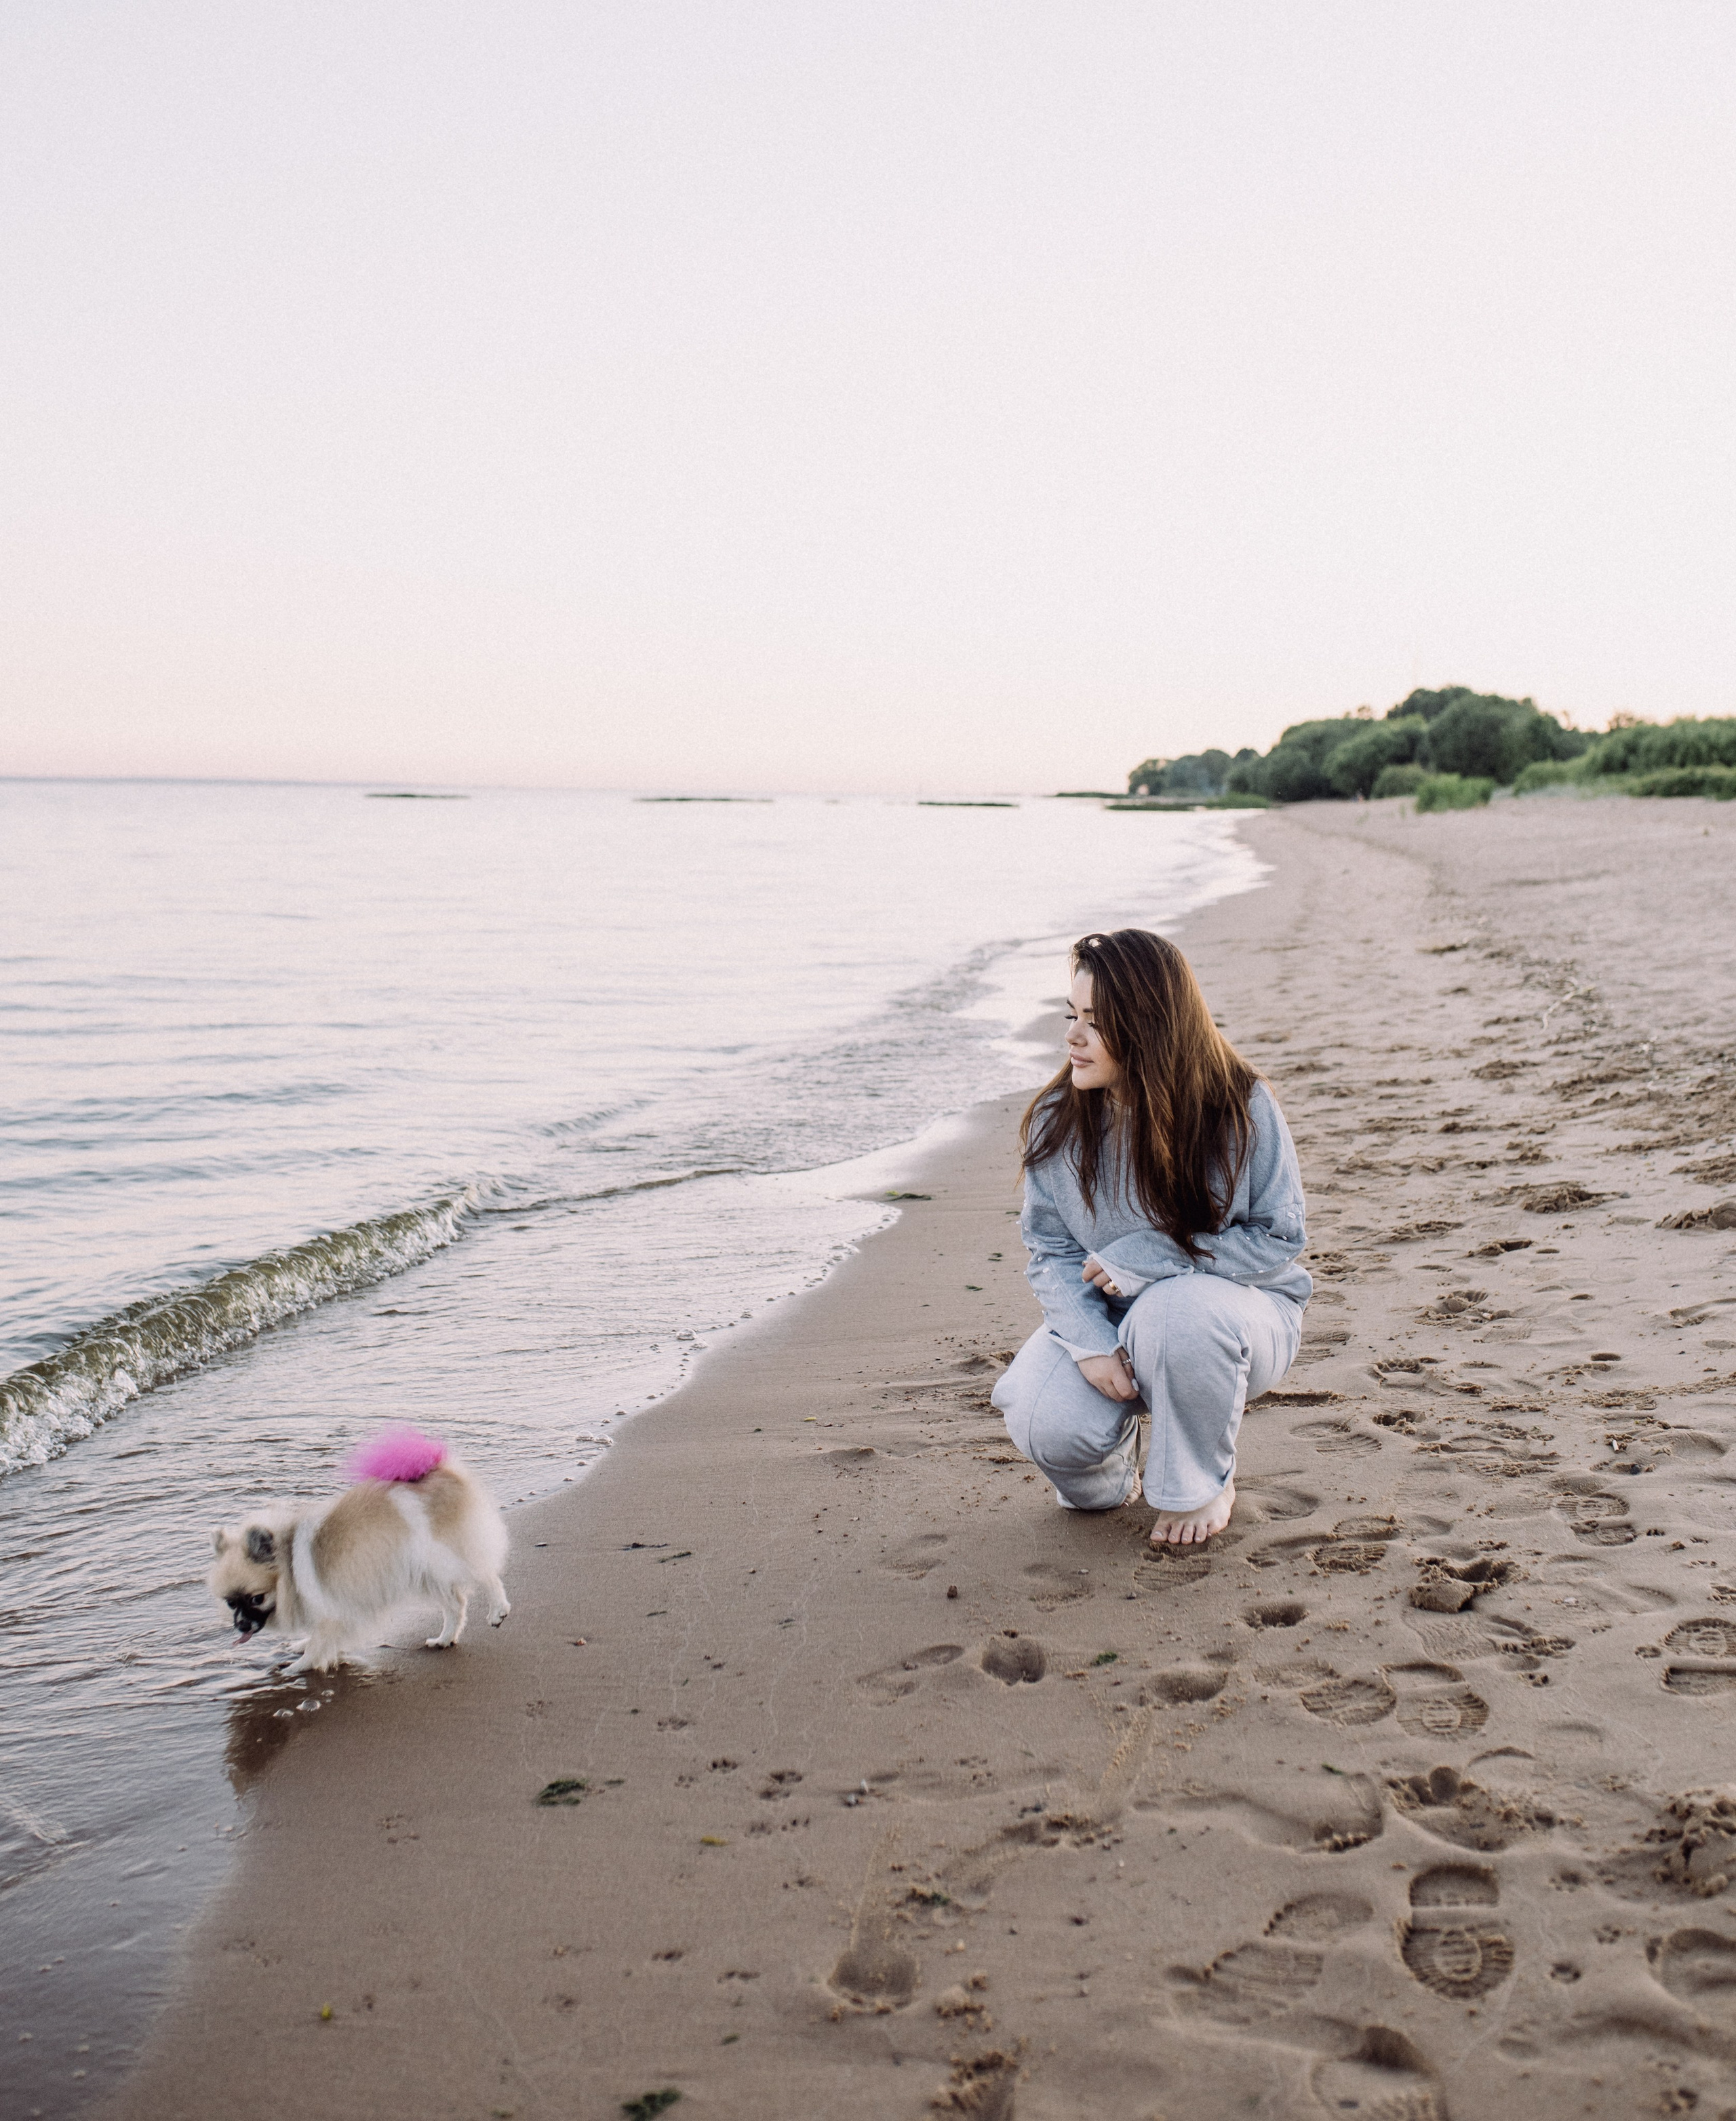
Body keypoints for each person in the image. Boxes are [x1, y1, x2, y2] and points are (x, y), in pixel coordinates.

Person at [991, 929, 1309, 1546]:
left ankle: (1201, 1483)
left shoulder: (1239, 1106)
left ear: (1149, 1026)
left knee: (1176, 1312)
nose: (1072, 1037)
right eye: (1072, 1015)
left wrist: (1152, 1257)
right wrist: (1088, 1343)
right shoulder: (1057, 1122)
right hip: (1111, 1319)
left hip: (1238, 1315)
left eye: (1097, 1022)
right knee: (1042, 1418)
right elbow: (1052, 1252)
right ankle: (1112, 1473)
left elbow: (1278, 1236)